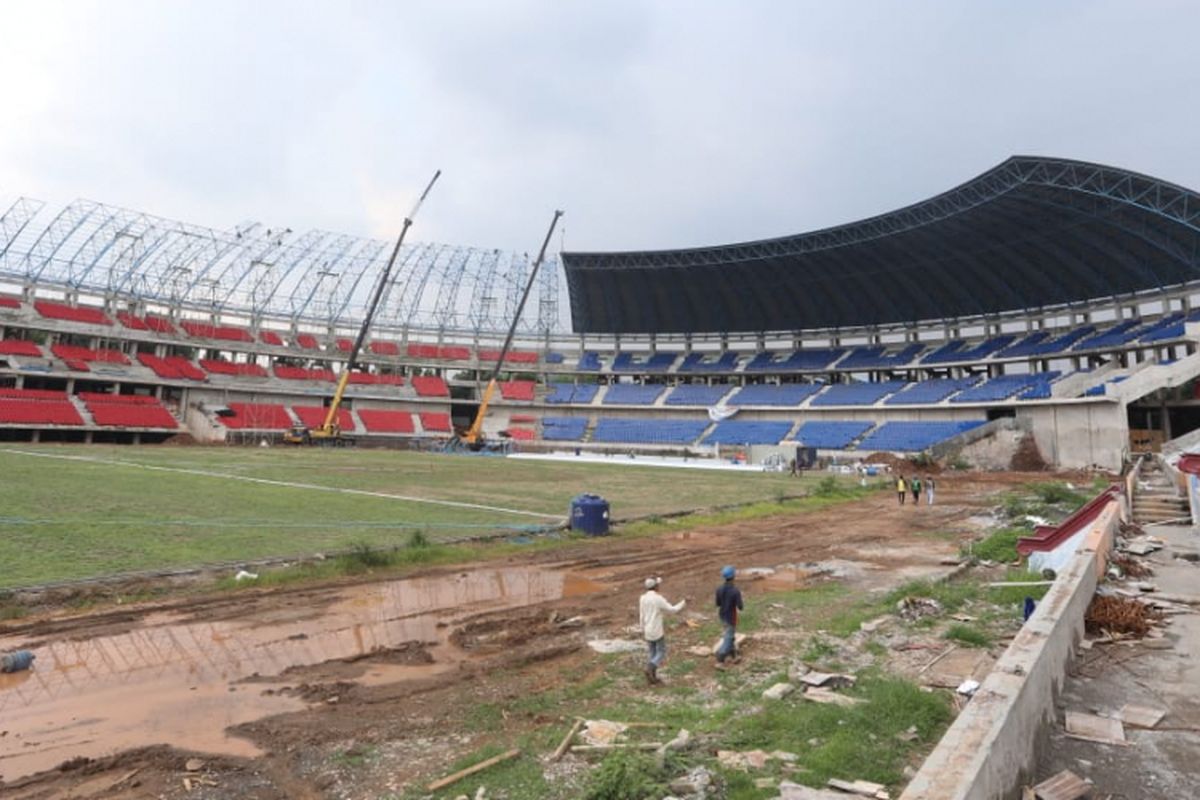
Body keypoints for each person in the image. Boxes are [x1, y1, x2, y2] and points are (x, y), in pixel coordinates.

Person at [638, 576, 685, 684]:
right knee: (661, 652)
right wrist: (683, 602)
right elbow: (672, 609)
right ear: (656, 586)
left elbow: (641, 614)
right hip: (657, 630)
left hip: (647, 629)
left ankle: (653, 677)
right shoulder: (658, 599)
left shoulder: (642, 598)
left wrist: (642, 628)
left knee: (652, 653)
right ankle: (650, 667)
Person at [715, 566, 744, 665]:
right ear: (733, 576)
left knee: (729, 635)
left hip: (722, 615)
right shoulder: (735, 591)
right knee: (729, 637)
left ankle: (734, 655)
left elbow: (718, 603)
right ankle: (720, 658)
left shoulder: (719, 589)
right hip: (731, 617)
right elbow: (740, 607)